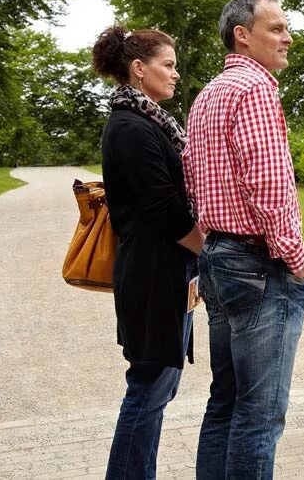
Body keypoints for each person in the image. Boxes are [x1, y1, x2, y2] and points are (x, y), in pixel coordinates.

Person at [183, 0, 304, 479]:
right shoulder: (256, 89)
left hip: (218, 257)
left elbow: (191, 178)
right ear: (243, 34)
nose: (288, 36)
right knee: (259, 415)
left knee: (226, 403)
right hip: (259, 264)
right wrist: (296, 256)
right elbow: (269, 183)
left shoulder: (209, 93)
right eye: (276, 28)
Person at [94, 26, 205, 480]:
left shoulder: (148, 121)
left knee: (159, 386)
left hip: (167, 270)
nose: (175, 74)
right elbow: (163, 209)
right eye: (168, 64)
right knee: (149, 386)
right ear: (139, 69)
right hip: (152, 274)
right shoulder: (130, 127)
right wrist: (209, 251)